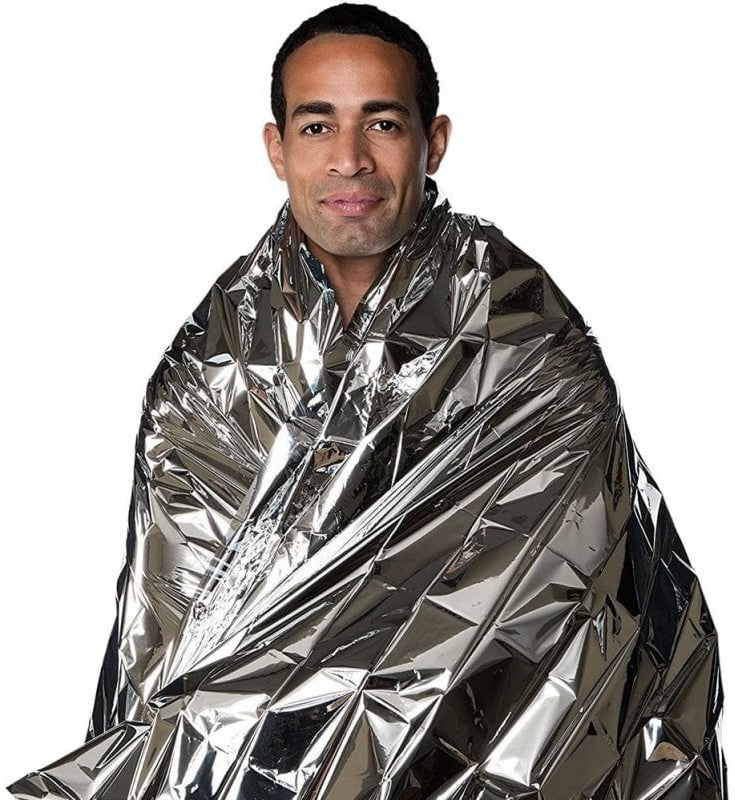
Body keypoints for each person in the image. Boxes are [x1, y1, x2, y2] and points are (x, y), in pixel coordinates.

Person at [8, 4, 727, 799]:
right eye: (317, 127)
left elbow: (552, 609)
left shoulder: (526, 344)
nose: (349, 159)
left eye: (381, 124)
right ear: (277, 148)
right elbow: (166, 640)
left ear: (433, 141)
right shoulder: (208, 368)